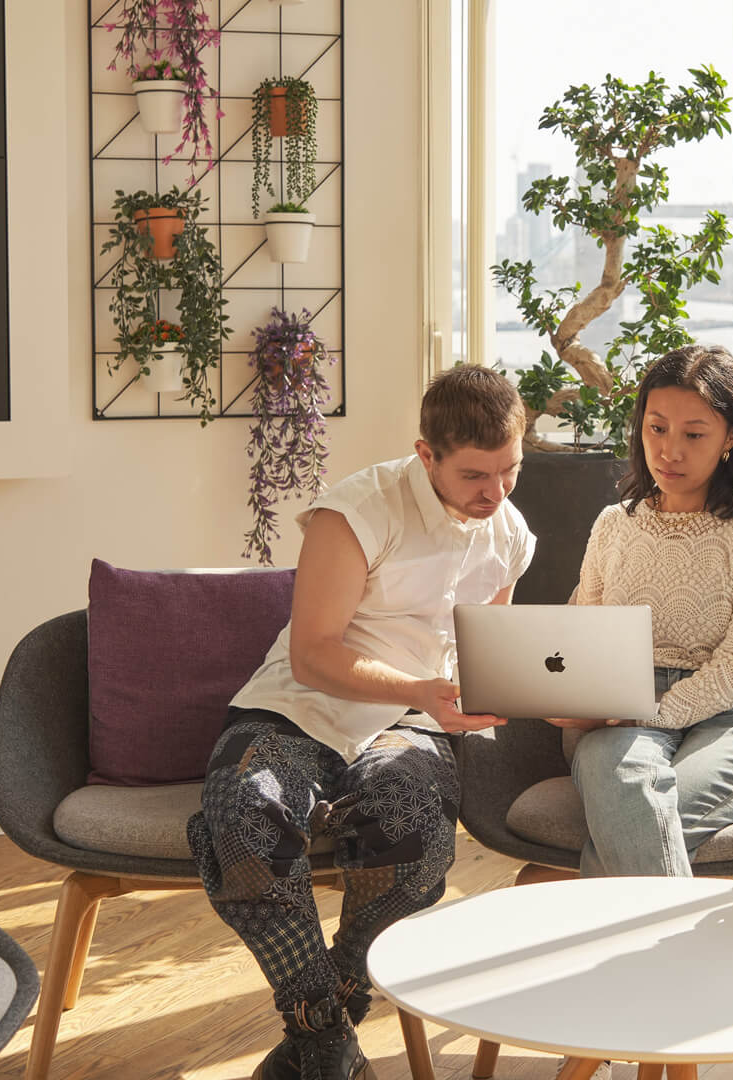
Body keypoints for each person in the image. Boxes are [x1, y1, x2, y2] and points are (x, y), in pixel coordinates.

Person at [187, 365, 534, 1080]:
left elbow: (482, 650)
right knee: (242, 816)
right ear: (425, 452)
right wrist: (425, 687)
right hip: (298, 707)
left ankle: (318, 1035)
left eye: (510, 471)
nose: (493, 494)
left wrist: (504, 687)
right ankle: (327, 1039)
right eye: (474, 475)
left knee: (416, 838)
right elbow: (314, 654)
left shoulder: (509, 533)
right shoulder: (356, 511)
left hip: (412, 723)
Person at [550, 343, 733, 879]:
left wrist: (652, 712)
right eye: (656, 428)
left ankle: (606, 951)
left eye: (694, 434)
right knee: (623, 786)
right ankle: (671, 961)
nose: (669, 451)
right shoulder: (613, 525)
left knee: (636, 813)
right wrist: (566, 697)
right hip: (622, 709)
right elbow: (583, 639)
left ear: (732, 438)